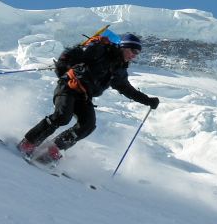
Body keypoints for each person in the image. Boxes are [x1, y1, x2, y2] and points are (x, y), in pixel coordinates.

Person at [17, 33, 160, 163]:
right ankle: (28, 143)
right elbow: (76, 53)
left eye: (138, 53)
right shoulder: (102, 51)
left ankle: (52, 150)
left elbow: (127, 89)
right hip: (68, 87)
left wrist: (147, 100)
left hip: (84, 96)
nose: (135, 56)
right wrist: (64, 65)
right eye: (133, 51)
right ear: (124, 47)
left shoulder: (119, 70)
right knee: (62, 116)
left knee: (88, 125)